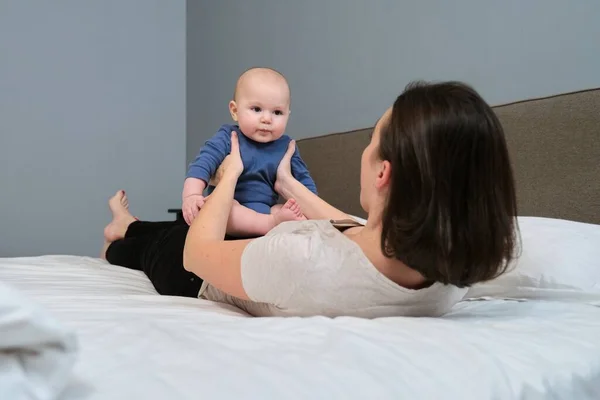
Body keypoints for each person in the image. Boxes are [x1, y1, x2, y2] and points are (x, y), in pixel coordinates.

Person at [102, 80, 519, 318]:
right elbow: (357, 229)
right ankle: (128, 223)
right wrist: (287, 181)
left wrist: (228, 177)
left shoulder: (302, 259)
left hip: (199, 272)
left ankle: (122, 233)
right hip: (248, 242)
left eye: (370, 142)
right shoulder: (445, 275)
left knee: (158, 243)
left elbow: (197, 253)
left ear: (382, 172)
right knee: (167, 227)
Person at [183, 67, 317, 237]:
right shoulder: (228, 137)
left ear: (288, 115)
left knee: (290, 211)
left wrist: (308, 210)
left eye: (277, 112)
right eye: (256, 109)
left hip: (267, 211)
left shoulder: (286, 147)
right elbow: (202, 165)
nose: (267, 119)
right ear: (234, 111)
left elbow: (305, 184)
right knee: (223, 208)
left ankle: (273, 223)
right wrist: (192, 195)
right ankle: (271, 225)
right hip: (234, 211)